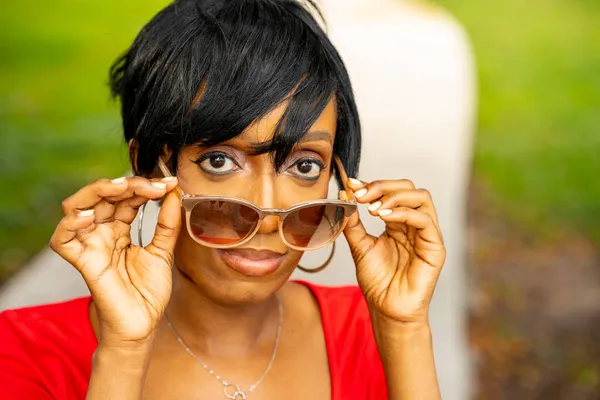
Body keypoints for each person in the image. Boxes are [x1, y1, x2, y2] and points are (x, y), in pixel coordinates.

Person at [0, 0, 446, 398]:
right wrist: (124, 350)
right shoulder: (22, 352)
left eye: (305, 165)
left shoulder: (369, 328)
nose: (268, 213)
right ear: (150, 168)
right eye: (219, 160)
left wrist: (405, 330)